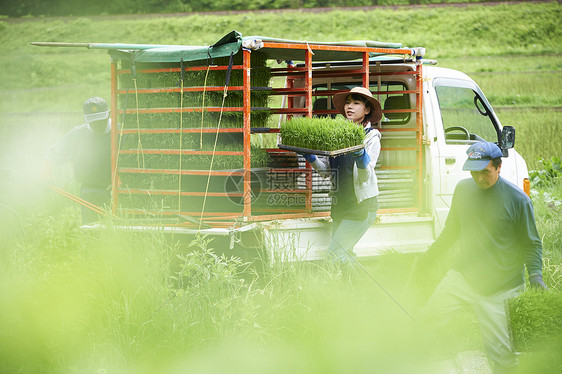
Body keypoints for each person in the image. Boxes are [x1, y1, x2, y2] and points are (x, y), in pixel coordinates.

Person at [418, 141, 547, 374]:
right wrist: (430, 257)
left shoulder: (518, 200)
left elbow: (532, 242)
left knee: (501, 353)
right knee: (426, 318)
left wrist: (535, 275)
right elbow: (451, 231)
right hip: (463, 276)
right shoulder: (463, 190)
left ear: (498, 168)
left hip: (501, 286)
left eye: (485, 172)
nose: (479, 178)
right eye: (474, 172)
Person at [303, 86, 383, 263]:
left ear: (367, 109)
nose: (350, 107)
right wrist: (311, 158)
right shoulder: (337, 135)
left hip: (361, 206)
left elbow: (365, 177)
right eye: (347, 103)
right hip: (341, 204)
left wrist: (361, 159)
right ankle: (353, 289)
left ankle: (345, 287)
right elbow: (326, 171)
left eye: (356, 103)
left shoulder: (372, 137)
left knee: (334, 254)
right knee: (344, 254)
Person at [43, 97, 112, 224]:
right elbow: (52, 154)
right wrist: (46, 175)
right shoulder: (77, 135)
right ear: (87, 120)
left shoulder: (121, 130)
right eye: (93, 121)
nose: (97, 124)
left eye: (101, 120)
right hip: (90, 192)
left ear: (108, 115)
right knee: (91, 231)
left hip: (119, 191)